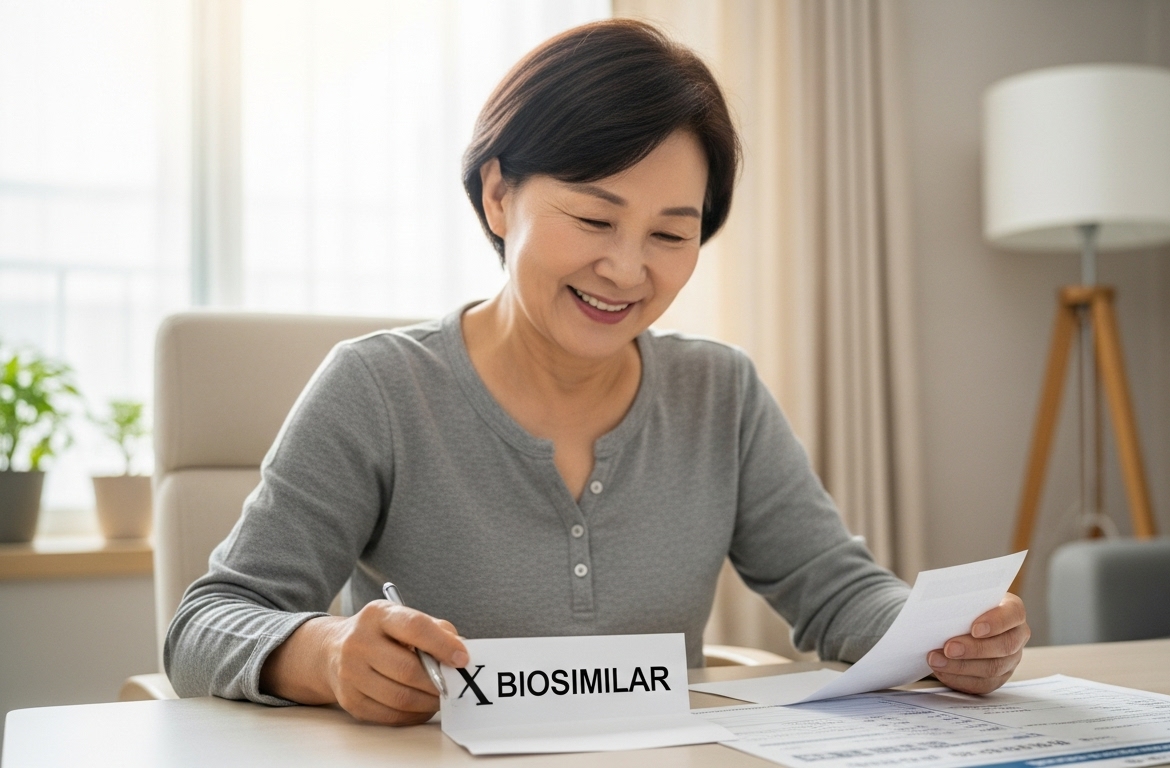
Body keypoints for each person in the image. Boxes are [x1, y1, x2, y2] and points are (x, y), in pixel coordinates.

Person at [165, 19, 1029, 726]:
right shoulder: (379, 389)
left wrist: (945, 639)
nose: (626, 270)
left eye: (669, 233)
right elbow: (204, 623)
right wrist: (323, 654)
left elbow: (838, 596)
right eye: (593, 217)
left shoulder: (719, 393)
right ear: (499, 196)